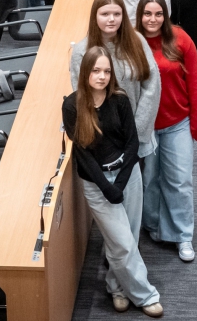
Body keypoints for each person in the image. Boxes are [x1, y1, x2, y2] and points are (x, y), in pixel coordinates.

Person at [62, 48, 163, 317]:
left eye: (107, 71)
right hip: (97, 183)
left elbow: (132, 143)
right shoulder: (72, 106)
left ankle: (117, 287)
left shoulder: (119, 99)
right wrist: (107, 187)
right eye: (96, 70)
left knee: (128, 237)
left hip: (127, 175)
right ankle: (146, 295)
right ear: (85, 72)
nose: (102, 76)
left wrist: (120, 182)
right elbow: (82, 154)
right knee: (122, 243)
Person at [136, 0, 197, 263]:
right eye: (147, 14)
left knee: (180, 180)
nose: (153, 19)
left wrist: (196, 126)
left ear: (166, 16)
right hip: (146, 126)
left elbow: (196, 84)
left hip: (178, 123)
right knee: (150, 180)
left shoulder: (181, 39)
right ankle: (152, 225)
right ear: (140, 16)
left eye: (158, 14)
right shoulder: (132, 43)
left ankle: (182, 234)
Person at [70, 0, 161, 162]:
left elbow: (151, 86)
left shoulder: (137, 41)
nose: (111, 19)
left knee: (144, 179)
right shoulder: (82, 51)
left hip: (138, 136)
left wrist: (136, 131)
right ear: (95, 16)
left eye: (117, 14)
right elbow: (83, 97)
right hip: (104, 142)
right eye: (105, 14)